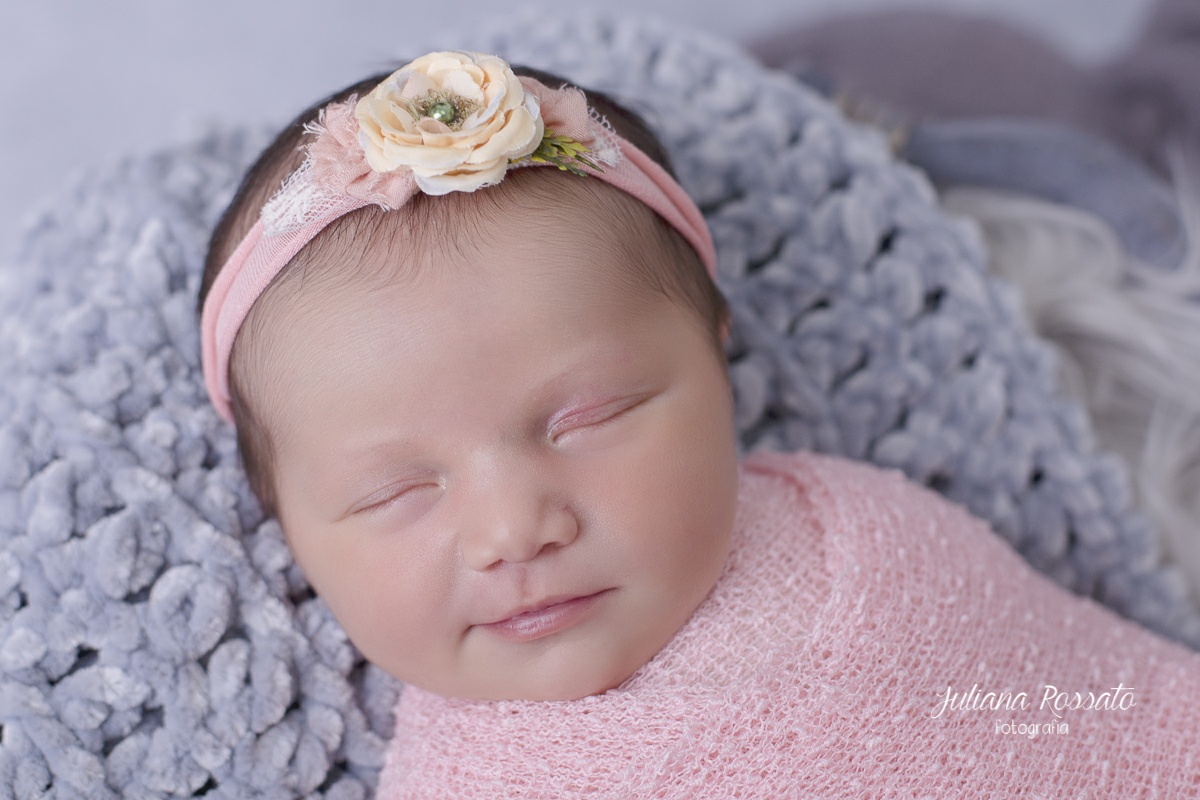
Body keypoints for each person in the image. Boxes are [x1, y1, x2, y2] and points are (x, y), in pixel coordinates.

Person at [199, 50, 1200, 798]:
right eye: (397, 490)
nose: (516, 529)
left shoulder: (868, 545)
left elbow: (1121, 712)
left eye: (594, 414)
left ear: (717, 352)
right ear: (283, 516)